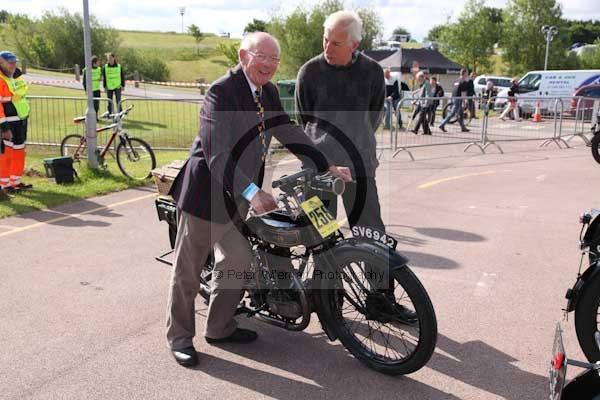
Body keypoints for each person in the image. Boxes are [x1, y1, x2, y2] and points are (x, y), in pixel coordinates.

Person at [166, 32, 351, 368]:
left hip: (237, 196)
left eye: (274, 59)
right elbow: (218, 154)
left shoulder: (266, 91)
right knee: (188, 273)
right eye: (261, 56)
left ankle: (219, 327)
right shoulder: (221, 92)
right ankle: (179, 337)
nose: (268, 64)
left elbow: (287, 130)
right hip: (206, 196)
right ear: (242, 55)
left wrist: (326, 164)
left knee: (238, 261)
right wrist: (253, 192)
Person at [295, 10, 386, 232]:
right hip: (318, 169)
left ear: (353, 45)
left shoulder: (372, 72)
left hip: (359, 167)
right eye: (325, 39)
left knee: (371, 234)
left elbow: (374, 115)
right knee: (320, 235)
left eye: (336, 44)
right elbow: (303, 118)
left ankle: (374, 268)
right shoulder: (309, 72)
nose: (327, 48)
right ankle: (325, 268)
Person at [0, 50, 32, 199]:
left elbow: (22, 91)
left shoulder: (16, 75)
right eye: (10, 62)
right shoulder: (1, 79)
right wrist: (4, 127)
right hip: (7, 122)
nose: (13, 65)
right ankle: (4, 185)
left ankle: (15, 181)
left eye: (15, 62)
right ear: (2, 63)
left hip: (20, 118)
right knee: (7, 154)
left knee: (19, 151)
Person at [439, 68, 470, 133]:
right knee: (452, 113)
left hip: (454, 97)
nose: (468, 74)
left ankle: (463, 127)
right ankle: (442, 124)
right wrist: (464, 102)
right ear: (464, 73)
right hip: (458, 99)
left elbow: (454, 89)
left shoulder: (456, 80)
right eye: (467, 73)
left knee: (460, 114)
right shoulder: (464, 82)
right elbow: (463, 93)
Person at [411, 71, 432, 135]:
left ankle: (415, 129)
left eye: (418, 78)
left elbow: (428, 94)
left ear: (421, 77)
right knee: (423, 118)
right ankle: (427, 131)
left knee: (421, 116)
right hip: (421, 102)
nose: (417, 80)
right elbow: (421, 93)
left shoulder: (427, 83)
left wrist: (426, 103)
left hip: (425, 103)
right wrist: (416, 101)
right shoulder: (422, 84)